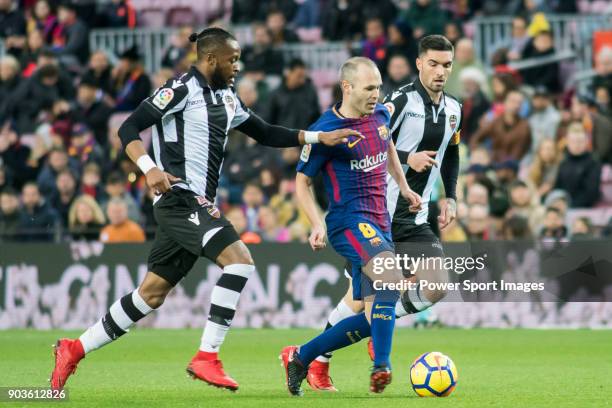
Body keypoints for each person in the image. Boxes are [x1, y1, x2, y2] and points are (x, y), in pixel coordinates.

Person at [50, 26, 359, 392]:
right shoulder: (180, 88)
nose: (237, 66)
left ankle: (74, 347)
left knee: (150, 295)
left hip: (195, 204)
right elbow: (129, 128)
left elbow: (265, 132)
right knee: (239, 260)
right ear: (210, 58)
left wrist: (317, 137)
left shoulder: (228, 98)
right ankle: (207, 356)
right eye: (232, 59)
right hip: (179, 198)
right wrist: (149, 169)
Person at [304, 35, 461, 391]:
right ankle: (317, 360)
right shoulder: (400, 100)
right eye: (433, 64)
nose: (440, 72)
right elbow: (376, 134)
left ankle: (377, 323)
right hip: (379, 215)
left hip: (415, 217)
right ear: (419, 63)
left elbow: (452, 152)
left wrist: (450, 196)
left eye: (447, 65)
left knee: (436, 286)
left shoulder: (454, 108)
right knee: (358, 301)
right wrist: (410, 159)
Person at [280, 56, 422, 395]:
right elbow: (302, 182)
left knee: (376, 313)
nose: (376, 94)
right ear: (347, 87)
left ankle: (301, 357)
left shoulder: (382, 115)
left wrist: (403, 186)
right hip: (348, 223)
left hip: (380, 223)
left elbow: (386, 145)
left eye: (378, 87)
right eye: (369, 88)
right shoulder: (326, 129)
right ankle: (382, 367)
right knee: (390, 280)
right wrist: (316, 223)